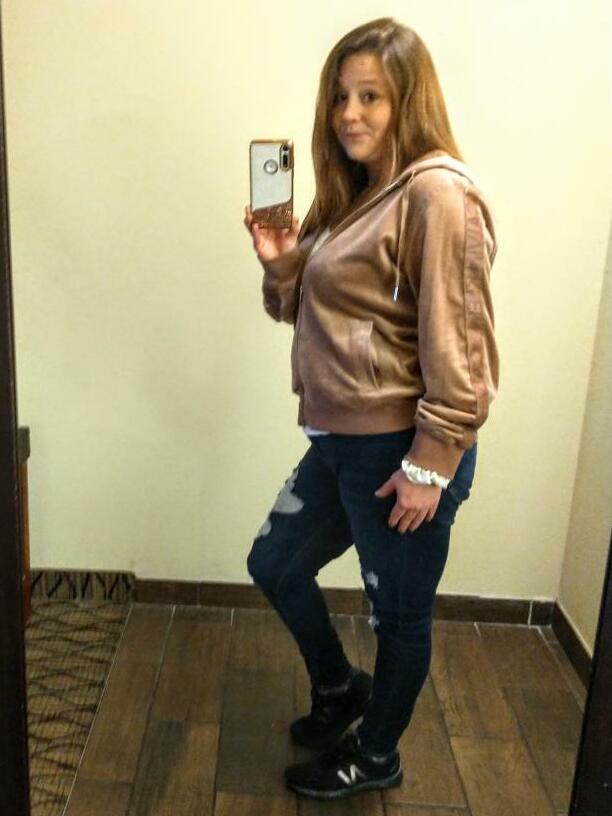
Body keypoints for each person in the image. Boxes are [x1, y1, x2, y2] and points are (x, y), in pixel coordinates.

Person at [243, 17, 499, 801]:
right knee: (275, 564)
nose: (348, 114)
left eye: (371, 97)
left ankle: (377, 754)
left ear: (407, 102)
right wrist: (283, 263)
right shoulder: (356, 196)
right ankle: (339, 687)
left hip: (401, 454)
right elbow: (305, 314)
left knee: (399, 617)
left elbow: (463, 347)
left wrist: (433, 463)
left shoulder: (437, 194)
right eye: (340, 97)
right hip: (342, 441)